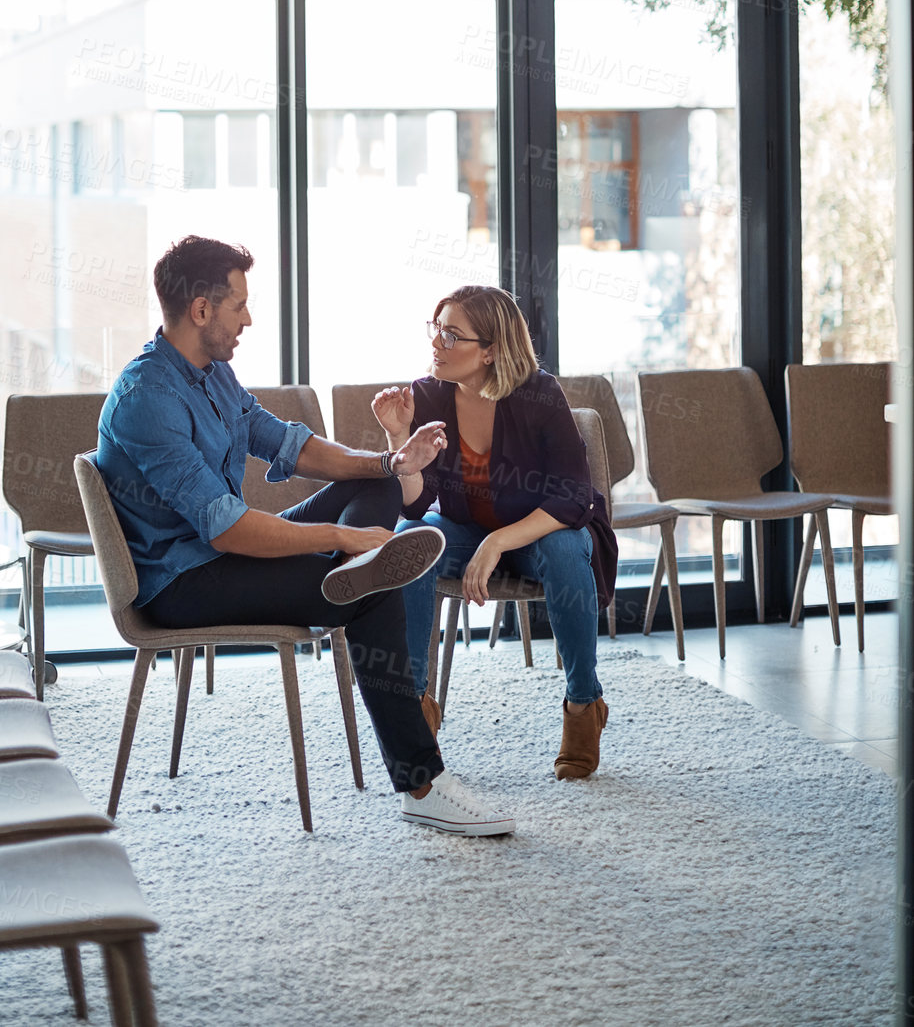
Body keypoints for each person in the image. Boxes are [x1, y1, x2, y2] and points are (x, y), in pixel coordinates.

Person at [95, 235, 516, 836]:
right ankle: (423, 785)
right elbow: (228, 530)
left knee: (382, 492)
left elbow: (288, 443)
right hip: (183, 580)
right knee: (377, 589)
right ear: (201, 310)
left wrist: (390, 463)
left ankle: (351, 573)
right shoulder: (147, 400)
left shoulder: (211, 374)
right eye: (239, 304)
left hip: (223, 553)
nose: (249, 318)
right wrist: (343, 542)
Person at [385, 285, 618, 780]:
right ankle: (415, 710)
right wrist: (398, 442)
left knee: (562, 545)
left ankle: (583, 703)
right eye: (436, 328)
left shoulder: (538, 393)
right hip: (465, 530)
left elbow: (575, 495)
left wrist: (498, 542)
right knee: (412, 539)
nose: (437, 343)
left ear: (490, 351)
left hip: (537, 535)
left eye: (452, 335)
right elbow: (416, 502)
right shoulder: (427, 394)